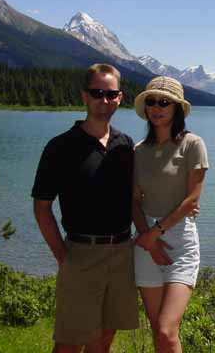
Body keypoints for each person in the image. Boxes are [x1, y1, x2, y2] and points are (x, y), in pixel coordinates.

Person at [32, 63, 138, 353]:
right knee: (69, 343)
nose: (104, 100)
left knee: (103, 341)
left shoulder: (125, 145)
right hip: (81, 252)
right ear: (84, 96)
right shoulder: (60, 147)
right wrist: (63, 257)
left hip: (121, 252)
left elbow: (137, 196)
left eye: (111, 94)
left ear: (120, 98)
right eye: (97, 93)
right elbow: (42, 207)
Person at [132, 76, 209, 353]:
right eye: (151, 101)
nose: (157, 107)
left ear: (177, 108)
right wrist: (147, 239)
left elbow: (192, 201)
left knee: (167, 330)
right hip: (145, 242)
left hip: (179, 241)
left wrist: (156, 233)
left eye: (164, 102)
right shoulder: (138, 152)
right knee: (157, 332)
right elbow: (133, 202)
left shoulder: (192, 144)